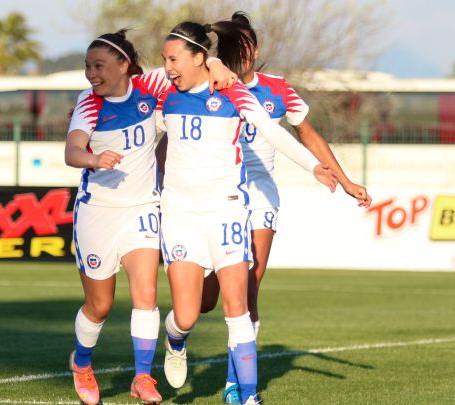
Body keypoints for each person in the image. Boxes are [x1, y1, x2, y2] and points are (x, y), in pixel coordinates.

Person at [189, 13, 373, 404]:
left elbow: (309, 134)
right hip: (214, 197)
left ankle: (236, 384)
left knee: (248, 290)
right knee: (203, 302)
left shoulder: (277, 90)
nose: (243, 52)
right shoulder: (206, 86)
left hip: (259, 200)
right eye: (234, 46)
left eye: (247, 44)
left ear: (254, 49)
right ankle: (183, 330)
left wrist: (345, 180)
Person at [157, 21, 337, 405]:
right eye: (164, 60)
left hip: (227, 211)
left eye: (174, 59)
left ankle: (248, 396)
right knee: (187, 315)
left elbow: (274, 133)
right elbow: (123, 93)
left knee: (238, 306)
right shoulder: (162, 92)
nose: (168, 66)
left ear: (197, 58)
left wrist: (314, 167)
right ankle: (175, 340)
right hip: (181, 216)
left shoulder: (234, 93)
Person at [64, 30, 236, 405]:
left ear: (124, 65)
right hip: (97, 214)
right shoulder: (88, 104)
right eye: (88, 67)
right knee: (101, 306)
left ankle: (142, 377)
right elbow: (73, 151)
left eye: (99, 66)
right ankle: (81, 363)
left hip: (143, 209)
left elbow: (193, 63)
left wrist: (218, 62)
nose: (92, 74)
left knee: (146, 296)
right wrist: (93, 158)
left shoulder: (150, 85)